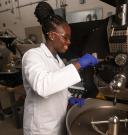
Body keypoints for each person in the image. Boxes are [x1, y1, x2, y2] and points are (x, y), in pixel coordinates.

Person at [22, 1, 98, 135]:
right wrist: (79, 63)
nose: (69, 42)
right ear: (51, 35)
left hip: (58, 123)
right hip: (41, 128)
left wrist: (69, 97)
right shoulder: (32, 56)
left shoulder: (58, 60)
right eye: (65, 37)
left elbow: (58, 85)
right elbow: (43, 86)